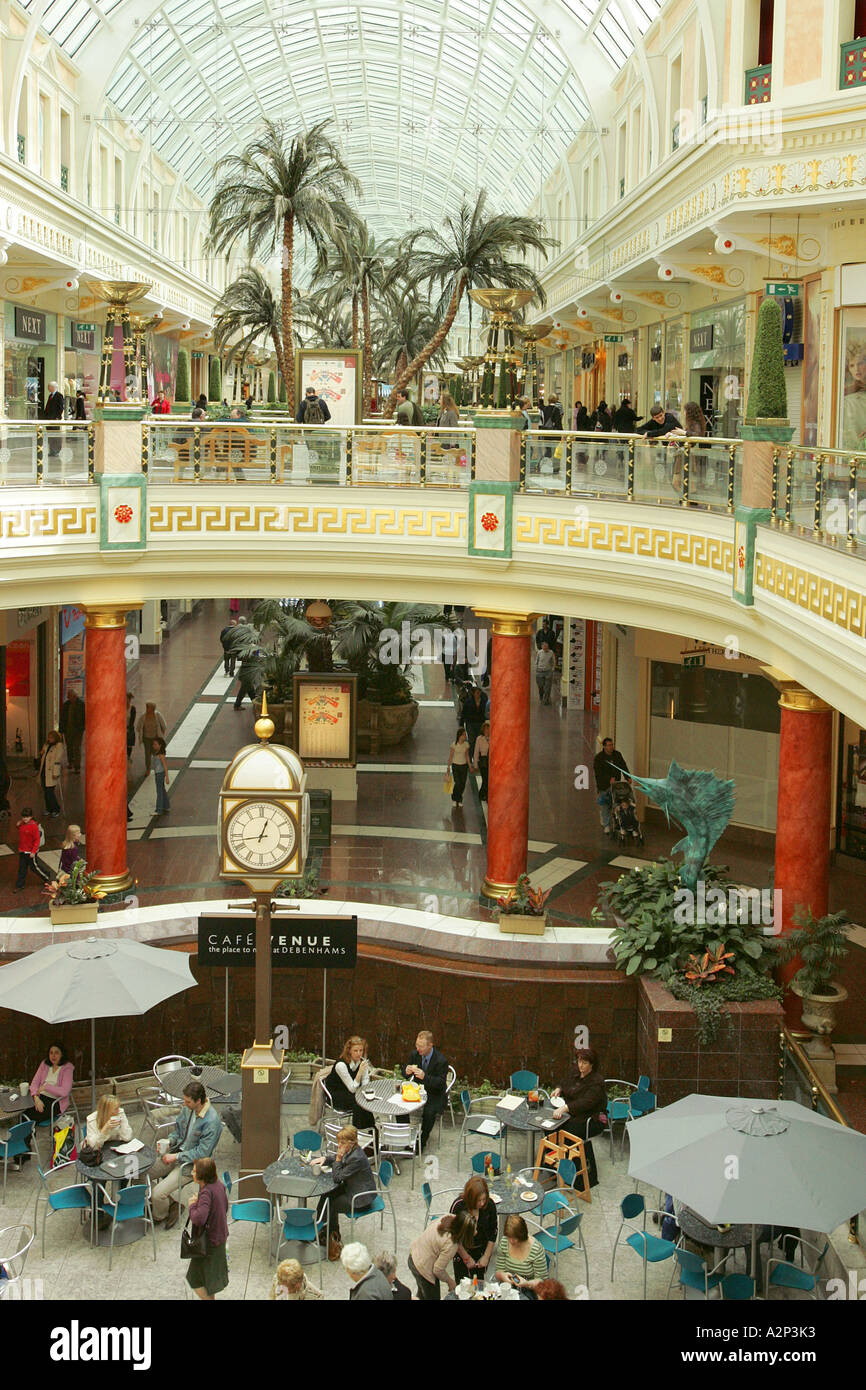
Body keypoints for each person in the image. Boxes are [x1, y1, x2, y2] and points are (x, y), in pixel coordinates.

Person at [149, 1080, 222, 1227]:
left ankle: (159, 1216)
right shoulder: (188, 1109)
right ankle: (172, 1205)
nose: (184, 1104)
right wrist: (169, 1141)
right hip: (175, 1153)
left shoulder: (212, 1121)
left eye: (188, 1102)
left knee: (157, 1193)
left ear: (198, 1101)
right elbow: (178, 1131)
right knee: (140, 1174)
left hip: (190, 1166)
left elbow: (202, 1153)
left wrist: (175, 1156)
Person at [311, 1124, 375, 1260]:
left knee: (332, 1203)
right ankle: (320, 1227)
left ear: (351, 1143)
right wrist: (326, 1159)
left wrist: (338, 1160)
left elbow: (338, 1177)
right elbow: (339, 1158)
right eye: (339, 1141)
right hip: (352, 1188)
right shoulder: (352, 1151)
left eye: (342, 1142)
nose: (339, 1145)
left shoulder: (356, 1158)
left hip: (360, 1198)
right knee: (327, 1193)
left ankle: (332, 1237)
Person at [549, 1046, 608, 1190]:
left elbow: (586, 1103)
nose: (581, 1065)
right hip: (572, 1114)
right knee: (550, 1126)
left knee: (565, 1131)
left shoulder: (597, 1082)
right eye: (579, 1061)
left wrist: (564, 1108)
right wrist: (559, 1089)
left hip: (590, 1119)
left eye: (585, 1063)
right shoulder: (575, 1072)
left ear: (592, 1064)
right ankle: (552, 1164)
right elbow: (564, 1082)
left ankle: (570, 1171)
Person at [185, 1157, 229, 1300]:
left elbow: (199, 1218)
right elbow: (224, 1207)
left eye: (194, 1171)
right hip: (219, 1238)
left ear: (202, 1176)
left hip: (208, 1244)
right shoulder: (219, 1185)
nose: (192, 1173)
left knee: (195, 1279)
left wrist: (192, 1205)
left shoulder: (206, 1193)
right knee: (208, 1280)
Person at [408, 1211, 475, 1299]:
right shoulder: (451, 1245)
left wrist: (466, 1257)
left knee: (422, 1293)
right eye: (474, 1231)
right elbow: (438, 1270)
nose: (476, 1232)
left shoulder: (450, 1218)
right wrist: (450, 1281)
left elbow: (456, 1239)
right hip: (423, 1267)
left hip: (413, 1256)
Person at [403, 1030, 448, 1149]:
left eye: (421, 1046)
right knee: (400, 1105)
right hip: (418, 1090)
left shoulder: (441, 1060)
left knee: (429, 1112)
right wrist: (406, 1071)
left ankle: (422, 1139)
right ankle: (404, 1133)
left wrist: (425, 1077)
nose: (418, 1049)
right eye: (416, 1045)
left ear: (430, 1045)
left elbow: (441, 1083)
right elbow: (405, 1072)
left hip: (435, 1093)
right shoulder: (415, 1054)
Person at [450, 1176, 498, 1284]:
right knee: (463, 1286)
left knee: (479, 1285)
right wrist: (466, 1258)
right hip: (462, 1250)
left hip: (481, 1250)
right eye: (478, 1200)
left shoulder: (489, 1205)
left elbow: (493, 1231)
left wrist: (486, 1256)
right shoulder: (458, 1206)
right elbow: (453, 1236)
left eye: (484, 1199)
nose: (482, 1203)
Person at [23, 1043, 74, 1140]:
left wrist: (46, 1087)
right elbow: (34, 1083)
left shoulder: (67, 1067)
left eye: (56, 1053)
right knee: (24, 1113)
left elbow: (65, 1091)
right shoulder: (45, 1064)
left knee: (28, 1118)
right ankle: (24, 1145)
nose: (53, 1056)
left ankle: (24, 1147)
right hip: (40, 1098)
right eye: (51, 1053)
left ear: (62, 1054)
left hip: (56, 1102)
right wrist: (36, 1098)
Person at [325, 1037, 374, 1129]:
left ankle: (370, 1131)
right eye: (355, 1051)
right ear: (349, 1051)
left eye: (361, 1050)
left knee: (366, 1100)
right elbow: (352, 1089)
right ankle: (358, 1132)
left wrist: (365, 1092)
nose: (359, 1053)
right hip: (337, 1094)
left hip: (353, 1093)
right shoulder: (341, 1065)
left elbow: (365, 1083)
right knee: (359, 1103)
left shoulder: (362, 1062)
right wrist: (360, 1072)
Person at [494, 1214, 547, 1293]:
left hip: (529, 1289)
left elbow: (542, 1281)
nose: (511, 1241)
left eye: (514, 1238)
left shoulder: (536, 1249)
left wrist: (527, 1283)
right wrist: (502, 1275)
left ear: (521, 1235)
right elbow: (498, 1270)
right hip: (508, 1286)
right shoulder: (504, 1242)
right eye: (509, 1237)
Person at [594, 736, 630, 834]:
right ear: (604, 747)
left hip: (615, 785)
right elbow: (598, 773)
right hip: (604, 786)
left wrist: (627, 777)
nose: (611, 747)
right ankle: (606, 825)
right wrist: (608, 780)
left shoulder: (617, 755)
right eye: (609, 745)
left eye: (612, 745)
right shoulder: (599, 758)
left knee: (616, 803)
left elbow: (623, 766)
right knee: (605, 805)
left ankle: (618, 822)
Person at [14, 807, 51, 891]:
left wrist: (33, 851)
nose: (25, 819)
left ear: (31, 817)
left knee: (34, 867)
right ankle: (20, 885)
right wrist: (18, 825)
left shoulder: (34, 826)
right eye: (23, 817)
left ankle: (46, 876)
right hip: (23, 850)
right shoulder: (22, 824)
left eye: (26, 817)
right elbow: (21, 832)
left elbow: (37, 840)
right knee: (22, 868)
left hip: (30, 851)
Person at [38, 730, 64, 817]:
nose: (49, 739)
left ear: (55, 738)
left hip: (51, 772)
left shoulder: (58, 746)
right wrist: (41, 753)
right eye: (49, 737)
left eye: (51, 737)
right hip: (44, 771)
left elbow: (58, 760)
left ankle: (56, 809)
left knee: (50, 792)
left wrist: (56, 773)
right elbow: (43, 754)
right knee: (45, 792)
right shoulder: (46, 745)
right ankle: (49, 809)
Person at [59, 689, 85, 773]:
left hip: (78, 730)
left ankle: (77, 766)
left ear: (74, 696)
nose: (68, 697)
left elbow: (84, 717)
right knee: (69, 746)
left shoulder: (81, 704)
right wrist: (61, 730)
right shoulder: (66, 705)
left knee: (77, 747)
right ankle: (71, 762)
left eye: (69, 696)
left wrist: (83, 727)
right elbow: (62, 718)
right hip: (68, 730)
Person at [136, 702, 166, 772]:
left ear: (152, 709)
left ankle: (158, 766)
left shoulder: (158, 715)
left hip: (155, 738)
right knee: (147, 754)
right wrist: (141, 734)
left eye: (148, 707)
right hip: (146, 738)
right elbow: (138, 727)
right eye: (146, 707)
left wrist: (161, 736)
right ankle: (148, 769)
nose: (147, 709)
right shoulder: (143, 716)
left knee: (155, 753)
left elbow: (164, 726)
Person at [447, 727, 471, 808]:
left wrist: (470, 765)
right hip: (455, 765)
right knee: (458, 782)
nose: (465, 736)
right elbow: (451, 756)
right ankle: (455, 798)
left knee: (463, 783)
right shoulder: (454, 745)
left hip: (464, 766)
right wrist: (448, 767)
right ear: (460, 736)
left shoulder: (466, 745)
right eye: (464, 735)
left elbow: (467, 756)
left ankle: (459, 799)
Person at [460, 684, 488, 751]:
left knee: (479, 740)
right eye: (477, 693)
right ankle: (471, 756)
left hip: (480, 723)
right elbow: (464, 713)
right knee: (471, 740)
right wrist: (461, 724)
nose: (479, 694)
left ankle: (478, 757)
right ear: (473, 694)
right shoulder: (468, 702)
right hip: (470, 723)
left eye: (479, 693)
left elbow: (485, 712)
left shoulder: (483, 702)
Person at [43, 380, 65, 456]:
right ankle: (52, 450)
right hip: (49, 419)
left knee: (55, 435)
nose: (48, 388)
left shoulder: (59, 396)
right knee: (50, 435)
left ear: (53, 387)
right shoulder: (50, 396)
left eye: (49, 386)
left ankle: (57, 450)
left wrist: (57, 417)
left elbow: (61, 408)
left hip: (55, 419)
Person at [151, 737, 170, 815]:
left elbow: (165, 766)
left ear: (160, 745)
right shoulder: (157, 753)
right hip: (158, 773)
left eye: (155, 744)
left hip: (159, 774)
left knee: (159, 791)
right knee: (162, 790)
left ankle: (159, 809)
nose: (153, 746)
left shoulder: (161, 755)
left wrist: (167, 777)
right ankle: (166, 806)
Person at [472, 720, 490, 802]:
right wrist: (475, 764)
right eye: (486, 728)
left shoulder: (492, 738)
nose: (487, 730)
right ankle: (483, 794)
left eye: (489, 728)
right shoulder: (479, 739)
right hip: (483, 761)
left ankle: (483, 794)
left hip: (491, 761)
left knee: (488, 780)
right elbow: (476, 752)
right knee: (485, 779)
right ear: (483, 729)